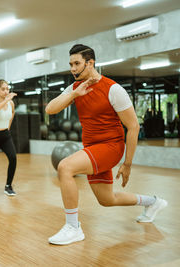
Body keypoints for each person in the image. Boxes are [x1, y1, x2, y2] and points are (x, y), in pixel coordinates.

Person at [45, 44, 167, 245]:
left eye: (77, 63)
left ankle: (73, 228)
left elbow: (133, 126)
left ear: (90, 62)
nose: (73, 69)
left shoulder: (113, 89)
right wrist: (74, 95)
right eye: (71, 64)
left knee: (65, 167)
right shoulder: (74, 88)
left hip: (111, 147)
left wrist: (127, 163)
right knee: (107, 200)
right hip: (92, 148)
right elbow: (50, 109)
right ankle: (153, 202)